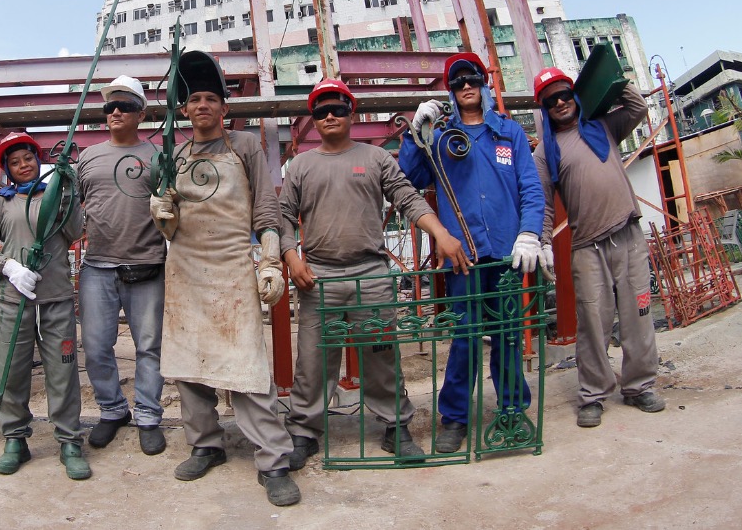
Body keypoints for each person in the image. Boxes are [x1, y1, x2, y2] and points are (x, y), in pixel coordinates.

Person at [280, 78, 470, 468]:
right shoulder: (300, 166)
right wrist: (289, 255)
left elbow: (407, 197)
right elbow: (282, 215)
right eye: (321, 111)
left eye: (337, 108)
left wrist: (442, 234)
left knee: (381, 356)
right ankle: (304, 430)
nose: (329, 115)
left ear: (352, 113)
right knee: (314, 360)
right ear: (313, 119)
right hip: (319, 276)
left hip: (370, 273)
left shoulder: (376, 158)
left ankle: (394, 427)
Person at [149, 50, 299, 507]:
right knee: (188, 365)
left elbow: (265, 207)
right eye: (195, 99)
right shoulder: (171, 156)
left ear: (224, 107)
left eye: (212, 98)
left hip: (234, 266)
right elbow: (169, 227)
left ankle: (273, 459)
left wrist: (270, 259)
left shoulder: (246, 146)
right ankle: (205, 444)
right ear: (184, 109)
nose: (203, 106)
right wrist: (161, 214)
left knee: (247, 366)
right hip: (186, 271)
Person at [398, 53, 546, 453]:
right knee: (463, 337)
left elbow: (531, 189)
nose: (466, 85)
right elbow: (408, 179)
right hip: (463, 257)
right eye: (458, 80)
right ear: (451, 89)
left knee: (508, 335)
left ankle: (513, 411)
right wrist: (416, 133)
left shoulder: (509, 134)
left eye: (472, 78)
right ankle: (456, 418)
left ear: (483, 84)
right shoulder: (442, 138)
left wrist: (530, 233)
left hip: (505, 255)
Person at [532, 66, 664, 428]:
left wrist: (610, 77)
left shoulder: (603, 126)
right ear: (544, 107)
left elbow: (636, 108)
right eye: (551, 99)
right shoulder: (546, 151)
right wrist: (542, 241)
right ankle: (593, 395)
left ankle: (639, 387)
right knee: (592, 323)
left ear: (574, 96)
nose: (559, 102)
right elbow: (542, 201)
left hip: (628, 235)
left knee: (638, 316)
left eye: (564, 94)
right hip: (587, 246)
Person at [0, 131, 91, 479]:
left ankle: (69, 440)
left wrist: (68, 190)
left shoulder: (55, 196)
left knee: (63, 372)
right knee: (11, 372)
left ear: (38, 161)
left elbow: (74, 232)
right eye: (14, 161)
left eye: (27, 158)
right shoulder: (1, 204)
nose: (23, 165)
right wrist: (8, 266)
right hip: (13, 301)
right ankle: (15, 439)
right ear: (6, 168)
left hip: (54, 300)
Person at [77, 76, 167, 455]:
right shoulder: (87, 156)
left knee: (149, 347)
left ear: (141, 114)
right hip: (97, 266)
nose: (115, 111)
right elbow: (71, 209)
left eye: (125, 105)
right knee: (96, 346)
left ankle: (148, 414)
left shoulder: (158, 157)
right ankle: (113, 410)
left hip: (148, 265)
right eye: (109, 106)